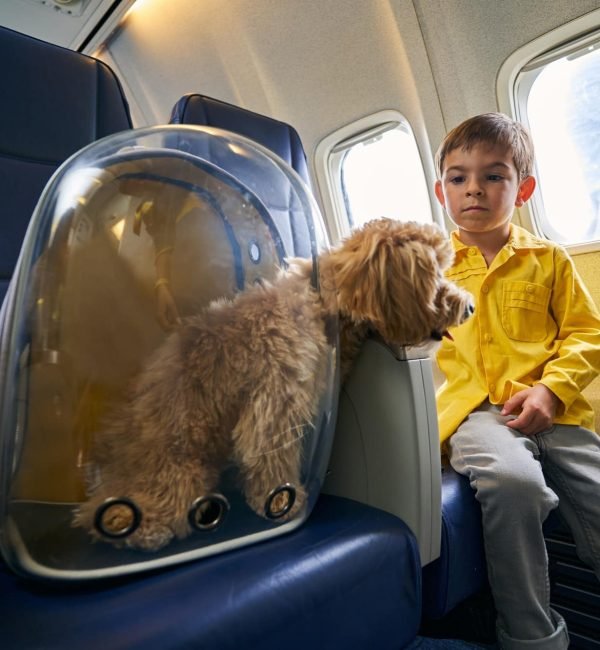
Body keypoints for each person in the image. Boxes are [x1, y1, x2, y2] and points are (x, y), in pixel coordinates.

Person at [433, 112, 600, 649]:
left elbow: (585, 334)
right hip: (477, 414)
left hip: (555, 407)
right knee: (515, 484)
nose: (473, 189)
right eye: (458, 178)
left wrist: (553, 389)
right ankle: (532, 637)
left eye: (493, 175)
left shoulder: (547, 259)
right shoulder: (431, 268)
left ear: (522, 188)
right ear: (441, 190)